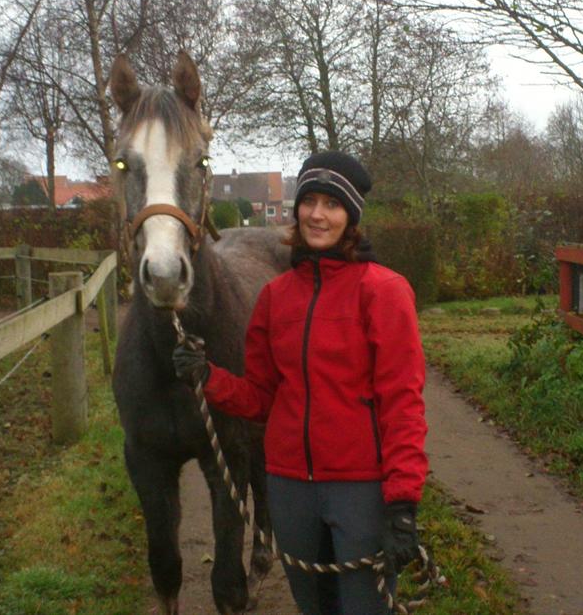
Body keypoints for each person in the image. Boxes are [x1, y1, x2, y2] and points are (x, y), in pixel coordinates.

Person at [172, 150, 428, 615]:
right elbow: (262, 397)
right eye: (309, 200)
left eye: (332, 204)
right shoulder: (275, 298)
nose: (317, 214)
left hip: (359, 490)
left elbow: (403, 405)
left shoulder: (384, 292)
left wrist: (403, 502)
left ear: (351, 215)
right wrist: (208, 378)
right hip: (290, 489)